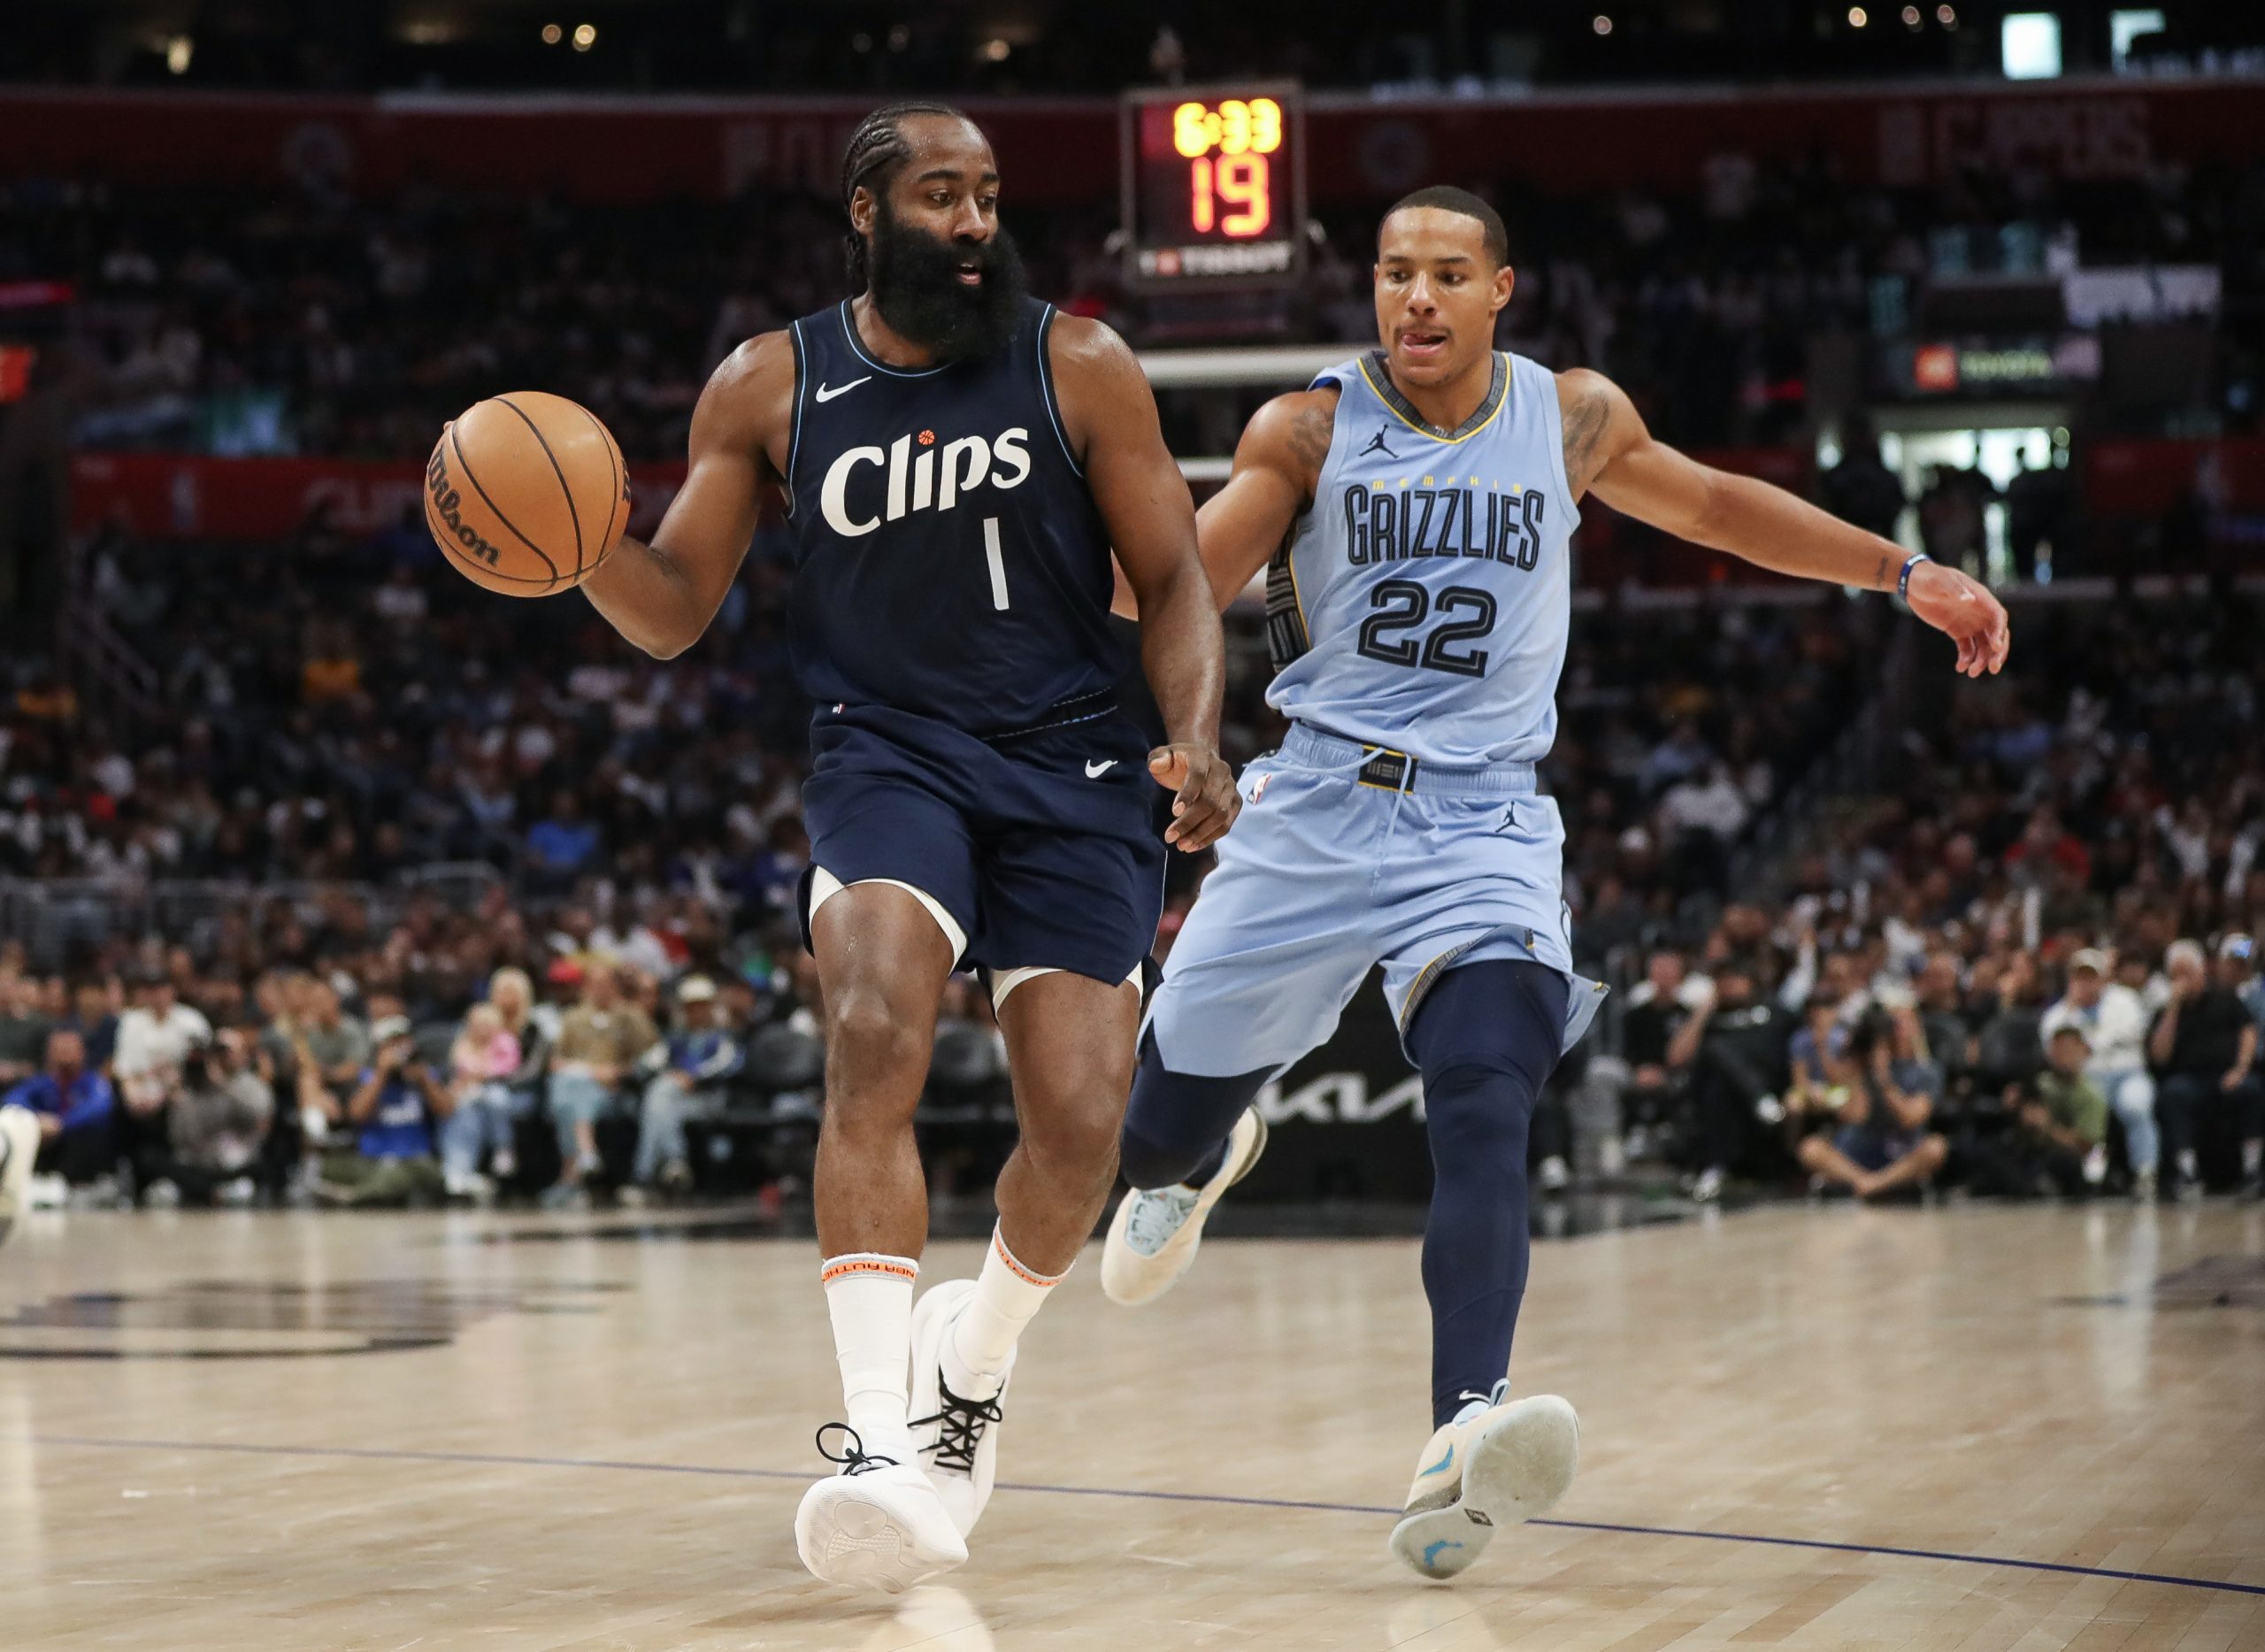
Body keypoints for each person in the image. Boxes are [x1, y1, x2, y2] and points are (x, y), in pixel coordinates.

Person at [1101, 185, 2008, 1582]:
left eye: (1447, 274)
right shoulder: (1310, 427)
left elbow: (1714, 507)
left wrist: (1902, 571)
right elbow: (1178, 586)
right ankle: (1210, 1146)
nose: (1416, 298)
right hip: (1317, 808)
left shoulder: (1570, 416)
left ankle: (1463, 1424)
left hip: (1482, 820)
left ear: (1500, 290)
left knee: (1487, 1085)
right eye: (1397, 272)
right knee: (1147, 1138)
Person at [562, 104, 1234, 1590]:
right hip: (889, 753)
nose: (978, 221)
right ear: (867, 213)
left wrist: (1193, 732)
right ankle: (875, 1436)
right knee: (872, 1023)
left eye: (988, 194)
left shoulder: (1081, 363)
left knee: (1078, 1126)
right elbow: (674, 605)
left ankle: (970, 1364)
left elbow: (1178, 573)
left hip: (1072, 762)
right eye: (943, 196)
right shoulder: (771, 384)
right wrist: (583, 549)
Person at [2039, 948, 2157, 1198]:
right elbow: (2053, 1045)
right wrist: (2071, 1010)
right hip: (2087, 1078)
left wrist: (2088, 1044)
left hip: (2128, 1074)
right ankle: (2092, 1178)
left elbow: (2130, 1032)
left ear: (2103, 978)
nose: (2086, 983)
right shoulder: (2061, 1012)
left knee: (2135, 1106)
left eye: (2091, 976)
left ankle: (2145, 1173)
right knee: (2090, 1107)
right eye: (2080, 977)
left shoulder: (2125, 1000)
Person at [2149, 937, 2261, 1199]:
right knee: (2173, 1094)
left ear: (2202, 971)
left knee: (2253, 1090)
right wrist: (2173, 1008)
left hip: (2229, 1075)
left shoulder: (2226, 999)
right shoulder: (2165, 1011)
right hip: (2189, 1080)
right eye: (2175, 975)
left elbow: (2248, 1031)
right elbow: (2159, 1056)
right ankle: (2188, 1174)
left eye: (2187, 973)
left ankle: (2252, 1171)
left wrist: (2241, 1068)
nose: (2182, 981)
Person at [1791, 1013, 1949, 1198]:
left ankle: (1875, 1185)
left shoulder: (1927, 1072)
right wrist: (1859, 1070)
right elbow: (1856, 1115)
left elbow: (1911, 1118)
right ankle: (1866, 1182)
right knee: (1811, 1148)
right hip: (1857, 1154)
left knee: (1936, 1147)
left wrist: (1884, 1079)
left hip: (1901, 1154)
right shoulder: (1861, 1069)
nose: (1898, 1032)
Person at [304, 1014, 451, 1207]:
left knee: (406, 1171)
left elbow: (447, 1110)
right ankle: (374, 1190)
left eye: (403, 1041)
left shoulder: (424, 1075)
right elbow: (357, 1114)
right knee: (333, 1167)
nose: (399, 1049)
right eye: (391, 1043)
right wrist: (382, 1074)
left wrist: (423, 1080)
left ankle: (355, 1197)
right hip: (374, 1160)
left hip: (416, 1159)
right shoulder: (369, 1078)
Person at [544, 961, 658, 1207]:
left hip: (617, 1090)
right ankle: (584, 1156)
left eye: (606, 984)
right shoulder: (573, 1018)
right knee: (569, 1089)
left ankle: (572, 1173)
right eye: (594, 984)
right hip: (581, 1084)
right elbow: (556, 1061)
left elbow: (652, 1057)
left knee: (566, 1095)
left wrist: (619, 1072)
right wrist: (592, 1071)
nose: (600, 989)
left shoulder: (629, 1016)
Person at [631, 973, 743, 1197]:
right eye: (692, 1007)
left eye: (702, 1006)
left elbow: (729, 1064)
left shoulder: (722, 1038)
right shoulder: (677, 1039)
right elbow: (647, 1063)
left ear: (711, 1007)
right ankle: (675, 1163)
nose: (697, 1012)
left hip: (709, 1098)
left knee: (657, 1099)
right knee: (660, 1104)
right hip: (677, 1100)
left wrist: (693, 1077)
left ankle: (643, 1176)